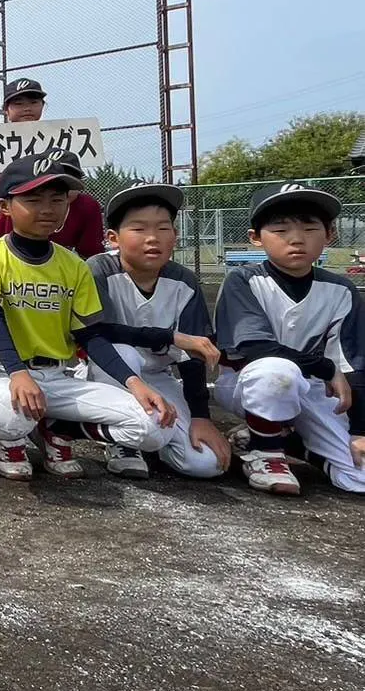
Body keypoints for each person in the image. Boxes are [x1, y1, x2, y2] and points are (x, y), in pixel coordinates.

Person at [0, 153, 176, 480]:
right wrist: (18, 373)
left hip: (59, 376)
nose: (47, 208)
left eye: (57, 199)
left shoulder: (73, 265)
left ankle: (62, 429)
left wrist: (134, 383)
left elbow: (91, 336)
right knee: (6, 412)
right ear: (5, 207)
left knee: (155, 425)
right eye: (33, 199)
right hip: (6, 373)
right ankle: (10, 439)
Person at [215, 182, 364, 495]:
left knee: (359, 476)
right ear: (255, 237)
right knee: (277, 372)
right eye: (281, 230)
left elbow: (353, 365)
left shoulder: (341, 290)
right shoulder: (244, 280)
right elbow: (255, 347)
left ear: (330, 234)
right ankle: (265, 451)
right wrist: (325, 368)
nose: (297, 239)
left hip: (312, 387)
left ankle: (292, 443)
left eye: (310, 228)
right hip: (246, 382)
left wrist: (361, 430)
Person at [82, 183, 229, 480]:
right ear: (113, 238)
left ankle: (151, 439)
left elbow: (193, 355)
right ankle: (123, 442)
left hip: (158, 377)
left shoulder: (183, 280)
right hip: (107, 374)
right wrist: (169, 336)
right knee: (124, 351)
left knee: (206, 463)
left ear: (175, 235)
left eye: (163, 228)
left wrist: (201, 416)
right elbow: (100, 332)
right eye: (138, 229)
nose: (153, 238)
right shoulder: (98, 269)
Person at [0, 150, 104, 258]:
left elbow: (91, 252)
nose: (47, 209)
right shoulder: (18, 206)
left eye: (64, 178)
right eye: (34, 199)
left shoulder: (87, 206)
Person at [0, 77, 46, 203]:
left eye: (33, 102)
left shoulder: (61, 136)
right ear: (6, 109)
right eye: (19, 104)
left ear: (42, 105)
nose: (27, 108)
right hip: (11, 209)